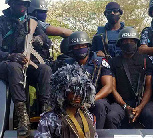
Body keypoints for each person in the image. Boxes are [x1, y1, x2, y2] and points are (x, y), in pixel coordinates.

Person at [0, 0, 51, 136]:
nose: (22, 6)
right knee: (14, 67)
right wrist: (10, 55)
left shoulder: (31, 22)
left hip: (27, 63)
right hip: (6, 64)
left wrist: (41, 38)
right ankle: (22, 117)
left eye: (25, 4)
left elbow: (47, 39)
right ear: (10, 4)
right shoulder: (1, 23)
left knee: (45, 70)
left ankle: (46, 112)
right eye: (19, 3)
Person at [58, 31, 115, 129]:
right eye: (76, 47)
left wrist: (90, 100)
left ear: (88, 46)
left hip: (95, 99)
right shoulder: (66, 64)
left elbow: (108, 86)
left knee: (99, 105)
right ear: (71, 49)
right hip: (73, 99)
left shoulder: (100, 62)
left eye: (83, 46)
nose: (80, 49)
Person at [110, 27, 153, 129]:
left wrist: (140, 107)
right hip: (121, 102)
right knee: (112, 116)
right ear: (120, 43)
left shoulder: (145, 60)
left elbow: (149, 87)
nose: (128, 43)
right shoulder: (114, 61)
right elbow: (112, 88)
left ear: (136, 42)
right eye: (125, 41)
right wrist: (125, 106)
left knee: (151, 114)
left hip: (143, 101)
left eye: (132, 41)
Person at [35, 64, 97, 138]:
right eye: (73, 91)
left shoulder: (89, 117)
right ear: (62, 92)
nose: (77, 95)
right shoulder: (50, 119)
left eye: (81, 91)